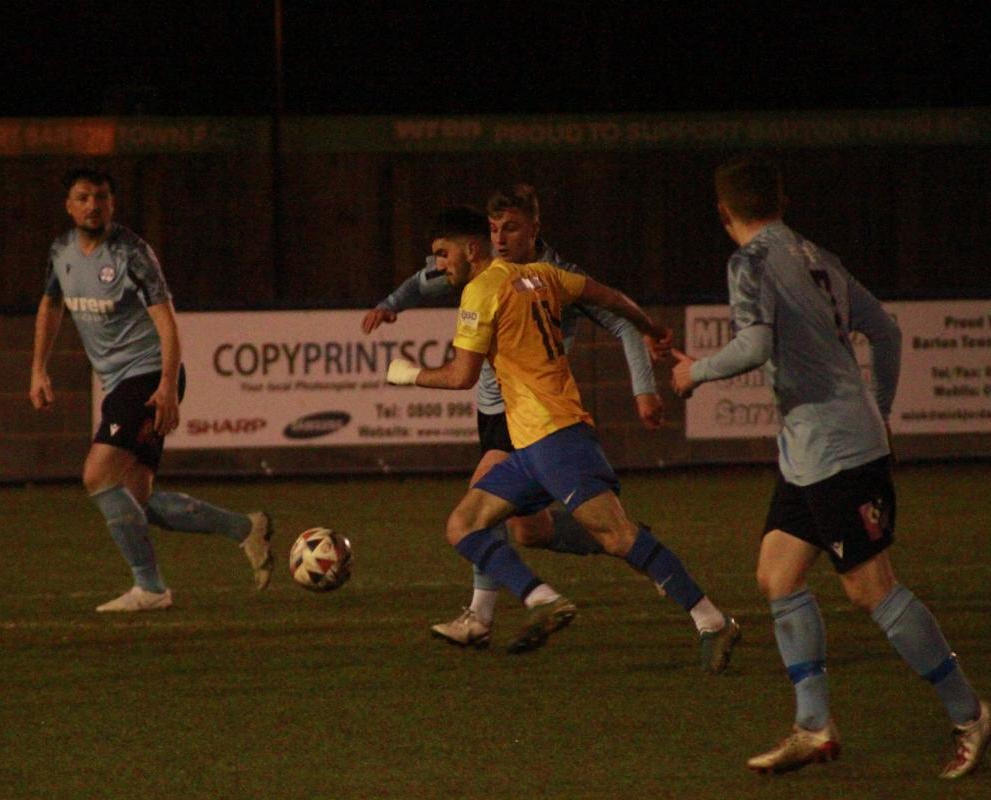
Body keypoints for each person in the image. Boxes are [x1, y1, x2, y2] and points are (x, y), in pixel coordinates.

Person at [671, 153, 988, 779]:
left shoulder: (750, 262)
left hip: (835, 450)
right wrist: (882, 411)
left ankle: (970, 712)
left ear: (723, 211)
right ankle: (814, 724)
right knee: (778, 574)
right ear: (781, 203)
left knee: (871, 589)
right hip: (811, 454)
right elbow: (886, 332)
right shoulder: (818, 257)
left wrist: (694, 373)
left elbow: (754, 345)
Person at [387, 206, 740, 669]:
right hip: (529, 446)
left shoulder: (480, 291)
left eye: (442, 253)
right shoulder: (543, 274)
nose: (439, 265)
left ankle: (712, 620)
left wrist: (409, 374)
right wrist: (652, 328)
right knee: (464, 524)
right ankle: (542, 600)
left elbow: (461, 376)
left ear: (471, 250)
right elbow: (611, 297)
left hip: (556, 438)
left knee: (618, 537)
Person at [364, 185, 666, 651]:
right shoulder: (482, 269)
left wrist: (644, 389)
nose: (500, 239)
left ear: (535, 229)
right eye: (493, 229)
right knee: (530, 529)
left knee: (475, 512)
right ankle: (629, 540)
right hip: (491, 413)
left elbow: (621, 319)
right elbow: (424, 280)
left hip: (527, 410)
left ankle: (482, 618)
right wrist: (390, 304)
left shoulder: (557, 277)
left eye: (511, 229)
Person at [29, 168, 274, 612]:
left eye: (101, 197)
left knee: (97, 475)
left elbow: (167, 321)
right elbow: (50, 304)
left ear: (112, 203)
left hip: (147, 374)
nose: (93, 205)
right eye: (83, 197)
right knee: (135, 498)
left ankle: (151, 588)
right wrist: (37, 369)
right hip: (117, 382)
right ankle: (244, 528)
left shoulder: (132, 253)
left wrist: (166, 386)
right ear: (69, 206)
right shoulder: (61, 251)